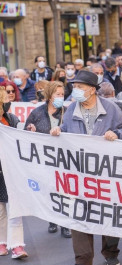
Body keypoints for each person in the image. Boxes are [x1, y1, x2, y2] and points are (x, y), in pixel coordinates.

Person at [50, 71, 122, 265]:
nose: (75, 91)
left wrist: (117, 133)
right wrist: (58, 131)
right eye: (74, 87)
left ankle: (111, 251)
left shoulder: (112, 109)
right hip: (80, 172)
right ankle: (83, 260)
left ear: (93, 90)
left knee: (108, 211)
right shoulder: (70, 111)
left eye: (79, 87)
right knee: (79, 212)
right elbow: (66, 130)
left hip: (107, 172)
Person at [24, 81, 72, 238]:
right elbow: (26, 133)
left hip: (64, 158)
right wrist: (30, 130)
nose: (60, 97)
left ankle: (65, 223)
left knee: (64, 191)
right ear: (50, 96)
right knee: (49, 189)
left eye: (62, 95)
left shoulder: (67, 112)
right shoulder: (37, 113)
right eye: (58, 94)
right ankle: (52, 219)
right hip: (45, 159)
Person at [0, 86, 28, 259]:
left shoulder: (11, 119)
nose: (8, 102)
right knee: (0, 211)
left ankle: (17, 245)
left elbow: (22, 139)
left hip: (11, 170)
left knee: (15, 209)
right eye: (4, 99)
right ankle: (2, 242)